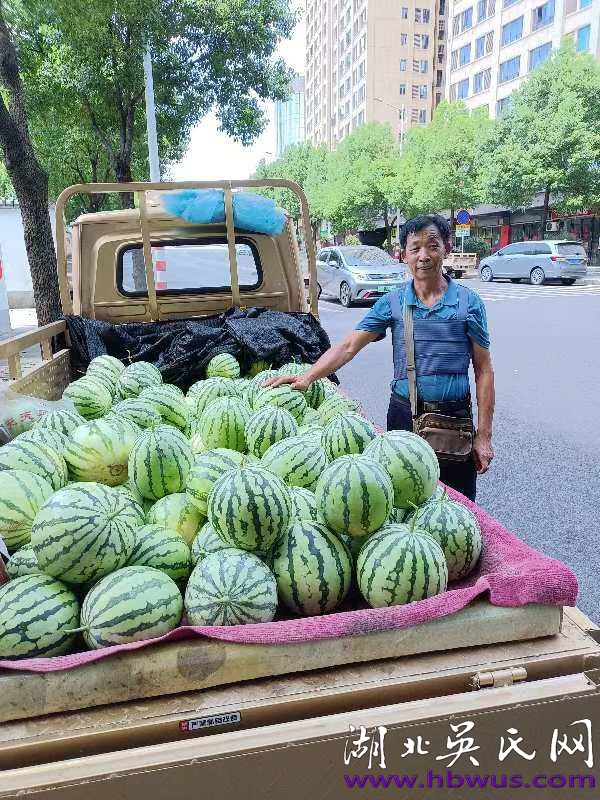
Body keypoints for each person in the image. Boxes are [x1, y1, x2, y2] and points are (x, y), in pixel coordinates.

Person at [269, 214, 495, 501]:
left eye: (432, 245)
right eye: (415, 248)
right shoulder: (392, 302)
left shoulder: (468, 302)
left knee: (459, 505)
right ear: (403, 256)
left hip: (454, 419)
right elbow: (349, 345)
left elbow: (483, 370)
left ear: (447, 248)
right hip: (404, 415)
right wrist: (308, 376)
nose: (423, 256)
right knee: (404, 502)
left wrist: (484, 436)